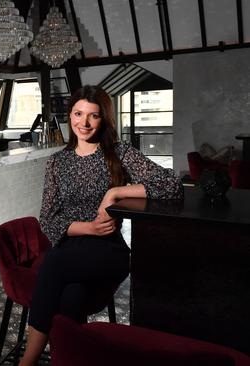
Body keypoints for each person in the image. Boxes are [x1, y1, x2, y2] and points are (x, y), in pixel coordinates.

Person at [19, 85, 183, 365]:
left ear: (103, 119)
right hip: (73, 246)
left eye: (93, 116)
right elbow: (47, 218)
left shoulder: (118, 153)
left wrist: (116, 193)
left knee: (53, 264)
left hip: (109, 250)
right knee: (71, 297)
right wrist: (87, 227)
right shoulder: (58, 162)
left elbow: (172, 184)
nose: (84, 123)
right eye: (78, 114)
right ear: (69, 115)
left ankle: (27, 362)